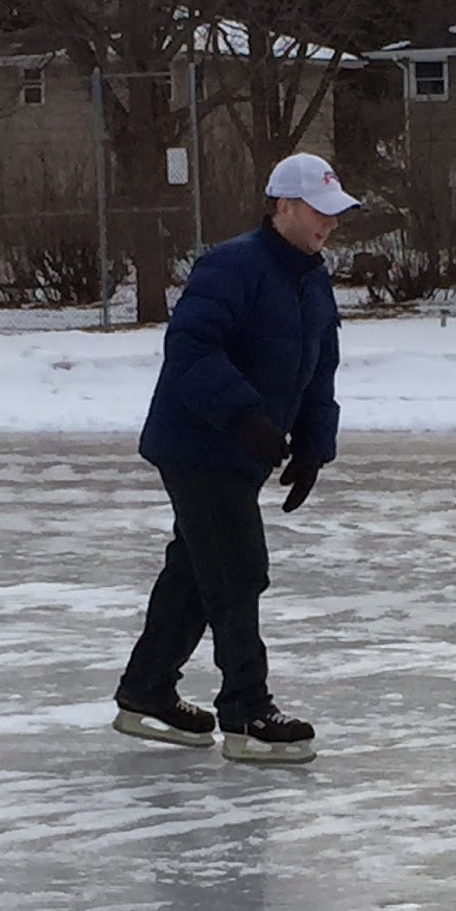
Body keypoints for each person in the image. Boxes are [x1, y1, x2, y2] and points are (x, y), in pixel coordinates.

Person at [112, 152, 359, 764]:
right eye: (320, 211)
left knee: (198, 571)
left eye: (335, 212)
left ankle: (146, 690)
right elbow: (190, 348)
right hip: (199, 443)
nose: (330, 223)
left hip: (244, 449)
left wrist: (314, 444)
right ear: (284, 207)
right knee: (239, 570)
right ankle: (247, 711)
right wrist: (246, 416)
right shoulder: (232, 265)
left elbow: (318, 367)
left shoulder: (311, 277)